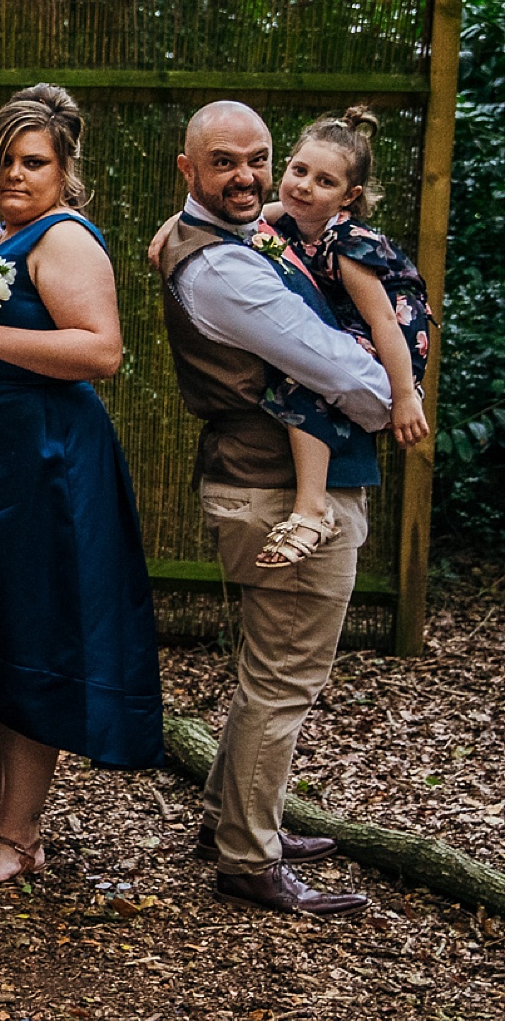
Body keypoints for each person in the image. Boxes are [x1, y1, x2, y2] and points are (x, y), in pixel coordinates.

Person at [0, 86, 164, 894]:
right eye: (4, 161)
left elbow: (102, 351)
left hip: (46, 471)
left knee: (29, 639)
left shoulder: (65, 241)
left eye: (33, 162)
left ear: (63, 170)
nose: (14, 174)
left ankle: (20, 833)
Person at [153, 100, 391, 916]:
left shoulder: (217, 238)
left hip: (260, 484)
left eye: (259, 157)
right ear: (189, 170)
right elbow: (345, 374)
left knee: (266, 671)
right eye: (224, 161)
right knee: (285, 680)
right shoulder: (224, 268)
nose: (249, 176)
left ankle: (230, 818)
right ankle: (248, 858)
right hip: (275, 493)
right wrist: (397, 392)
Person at [250, 108, 434, 569]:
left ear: (348, 197)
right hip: (352, 322)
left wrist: (405, 394)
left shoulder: (347, 244)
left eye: (324, 182)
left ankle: (312, 509)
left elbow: (384, 323)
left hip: (394, 329)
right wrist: (175, 227)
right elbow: (244, 219)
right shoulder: (289, 215)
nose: (305, 186)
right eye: (298, 171)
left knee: (304, 378)